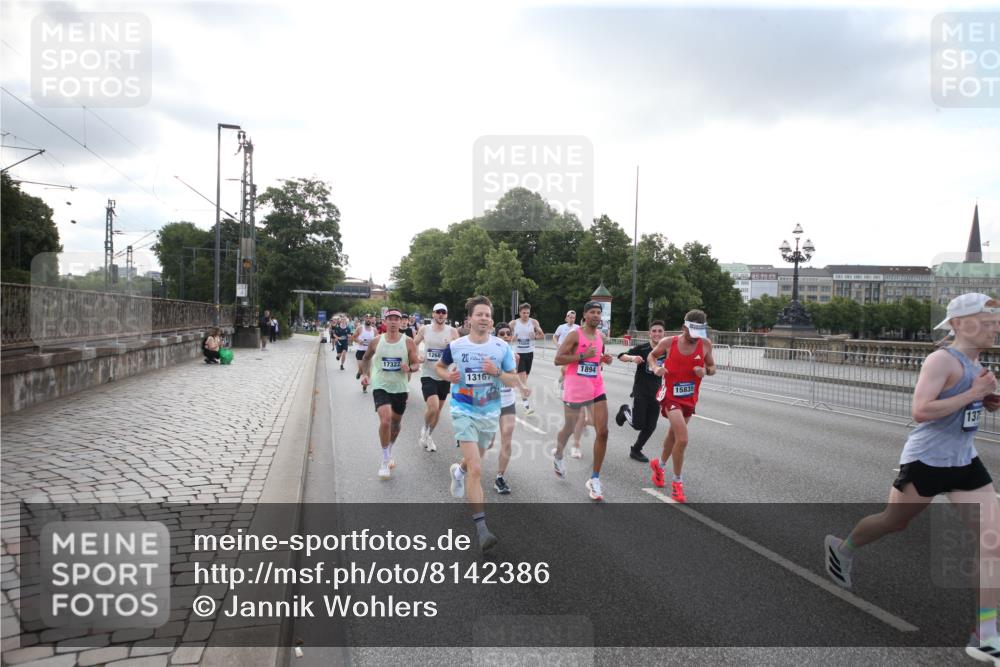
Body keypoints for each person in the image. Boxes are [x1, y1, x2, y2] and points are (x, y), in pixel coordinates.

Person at [823, 294, 1000, 663]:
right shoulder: (941, 360)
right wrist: (975, 391)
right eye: (987, 321)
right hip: (926, 462)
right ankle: (843, 549)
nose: (995, 327)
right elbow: (921, 410)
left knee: (992, 541)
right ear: (959, 323)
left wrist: (984, 400)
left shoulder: (976, 360)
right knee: (895, 522)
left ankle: (985, 634)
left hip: (965, 463)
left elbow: (960, 403)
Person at [436, 295, 522, 551]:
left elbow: (513, 380)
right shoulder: (457, 346)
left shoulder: (501, 348)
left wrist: (496, 372)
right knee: (477, 468)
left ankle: (457, 471)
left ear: (491, 320)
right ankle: (482, 529)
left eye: (487, 315)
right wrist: (447, 375)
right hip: (463, 409)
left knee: (471, 463)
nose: (483, 318)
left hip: (489, 413)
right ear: (470, 319)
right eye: (479, 314)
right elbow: (440, 367)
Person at [647, 310, 716, 503]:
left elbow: (712, 367)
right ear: (684, 328)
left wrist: (705, 371)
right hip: (670, 396)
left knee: (673, 435)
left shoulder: (705, 344)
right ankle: (677, 483)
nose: (695, 338)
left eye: (698, 334)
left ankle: (659, 467)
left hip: (689, 398)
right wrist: (656, 368)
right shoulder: (669, 343)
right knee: (683, 439)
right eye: (692, 333)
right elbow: (651, 357)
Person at [552, 300, 614, 501]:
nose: (596, 315)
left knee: (603, 431)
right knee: (569, 428)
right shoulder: (574, 335)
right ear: (585, 315)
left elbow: (595, 359)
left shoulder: (599, 336)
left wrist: (603, 359)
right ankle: (559, 455)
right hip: (575, 387)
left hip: (596, 386)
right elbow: (558, 359)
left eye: (599, 313)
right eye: (593, 312)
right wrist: (582, 355)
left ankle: (594, 479)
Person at [360, 308, 421, 480]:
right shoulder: (376, 341)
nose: (393, 321)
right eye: (390, 318)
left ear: (401, 322)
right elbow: (366, 358)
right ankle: (385, 459)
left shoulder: (408, 342)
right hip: (380, 385)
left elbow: (416, 364)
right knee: (385, 420)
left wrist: (410, 368)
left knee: (395, 424)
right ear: (385, 321)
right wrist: (365, 374)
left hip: (400, 387)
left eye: (397, 319)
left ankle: (389, 448)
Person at [615, 320, 667, 463]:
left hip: (657, 393)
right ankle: (625, 410)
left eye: (660, 331)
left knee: (651, 426)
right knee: (638, 424)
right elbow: (621, 355)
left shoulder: (668, 350)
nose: (657, 334)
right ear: (649, 333)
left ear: (664, 333)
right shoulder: (643, 348)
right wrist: (632, 358)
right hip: (641, 391)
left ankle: (636, 450)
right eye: (654, 331)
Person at [413, 303, 458, 452]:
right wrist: (417, 356)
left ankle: (429, 436)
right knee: (433, 406)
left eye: (443, 312)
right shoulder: (424, 329)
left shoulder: (452, 331)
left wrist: (452, 345)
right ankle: (424, 429)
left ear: (446, 315)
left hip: (444, 375)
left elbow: (459, 351)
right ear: (433, 314)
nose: (440, 315)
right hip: (428, 373)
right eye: (438, 312)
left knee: (438, 411)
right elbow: (413, 345)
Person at [490, 324, 525, 494]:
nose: (505, 336)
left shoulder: (515, 356)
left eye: (508, 333)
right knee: (487, 443)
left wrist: (522, 387)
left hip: (508, 402)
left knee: (507, 438)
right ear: (495, 335)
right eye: (501, 333)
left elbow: (513, 378)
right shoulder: (488, 353)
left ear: (511, 336)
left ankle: (500, 477)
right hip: (489, 402)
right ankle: (466, 465)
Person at [509, 303, 545, 415]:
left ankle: (511, 392)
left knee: (524, 380)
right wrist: (512, 339)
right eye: (524, 313)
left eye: (528, 313)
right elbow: (505, 337)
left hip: (529, 353)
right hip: (518, 354)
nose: (526, 315)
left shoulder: (534, 322)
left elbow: (542, 336)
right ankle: (527, 406)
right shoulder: (513, 323)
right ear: (520, 313)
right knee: (523, 380)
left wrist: (535, 336)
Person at [352, 315, 377, 392]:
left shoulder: (374, 330)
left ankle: (364, 387)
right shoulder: (360, 328)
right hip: (360, 351)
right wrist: (359, 341)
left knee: (367, 371)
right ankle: (359, 372)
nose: (368, 319)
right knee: (361, 369)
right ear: (364, 319)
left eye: (370, 318)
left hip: (369, 353)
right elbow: (353, 337)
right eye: (367, 318)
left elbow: (377, 341)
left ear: (372, 320)